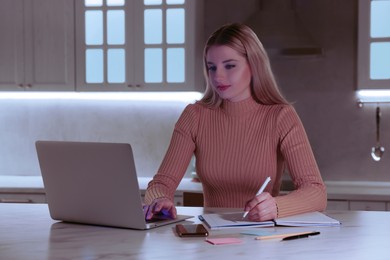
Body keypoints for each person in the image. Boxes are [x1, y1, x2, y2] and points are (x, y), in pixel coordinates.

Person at [143, 23, 327, 222]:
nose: (217, 76)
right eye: (211, 67)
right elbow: (162, 183)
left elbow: (316, 192)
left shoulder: (281, 116)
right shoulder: (194, 115)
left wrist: (276, 207)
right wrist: (159, 200)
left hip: (264, 239)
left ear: (254, 65)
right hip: (211, 238)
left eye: (230, 66)